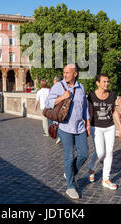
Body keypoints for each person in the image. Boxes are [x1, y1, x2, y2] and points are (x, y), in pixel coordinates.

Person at [45, 64, 90, 200]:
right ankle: (70, 186)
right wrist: (62, 97)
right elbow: (48, 104)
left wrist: (87, 122)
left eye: (68, 73)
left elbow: (85, 106)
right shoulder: (58, 86)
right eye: (64, 72)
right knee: (69, 157)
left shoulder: (81, 87)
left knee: (84, 154)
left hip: (79, 127)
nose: (65, 75)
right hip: (64, 127)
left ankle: (69, 172)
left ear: (75, 74)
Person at [86, 74, 121, 190]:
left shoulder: (112, 95)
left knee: (109, 152)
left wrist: (120, 128)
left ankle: (106, 179)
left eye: (108, 82)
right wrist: (87, 124)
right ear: (98, 83)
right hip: (96, 127)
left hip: (109, 127)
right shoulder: (91, 96)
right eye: (104, 82)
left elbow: (114, 111)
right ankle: (91, 168)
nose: (106, 84)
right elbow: (87, 112)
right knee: (100, 152)